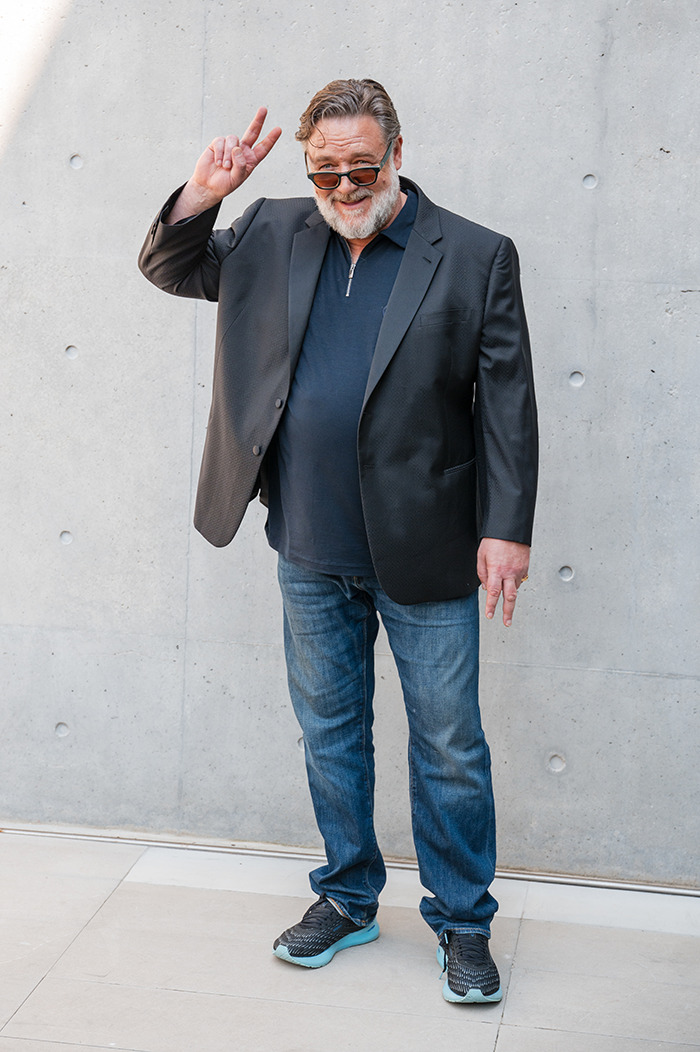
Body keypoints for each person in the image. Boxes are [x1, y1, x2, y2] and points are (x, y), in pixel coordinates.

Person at [139, 78, 537, 1004]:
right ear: (305, 164)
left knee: (448, 744)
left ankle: (463, 920)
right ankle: (350, 895)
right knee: (330, 733)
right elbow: (170, 267)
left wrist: (506, 527)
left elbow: (508, 407)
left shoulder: (474, 255)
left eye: (362, 165)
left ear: (398, 151)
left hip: (429, 549)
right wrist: (204, 192)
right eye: (326, 168)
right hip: (308, 545)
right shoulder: (270, 230)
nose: (345, 185)